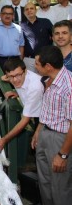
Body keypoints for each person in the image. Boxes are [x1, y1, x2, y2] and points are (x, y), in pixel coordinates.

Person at [31, 46, 72, 205]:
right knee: (44, 183)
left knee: (60, 187)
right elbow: (48, 109)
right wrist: (39, 130)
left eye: (37, 63)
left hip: (61, 140)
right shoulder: (49, 80)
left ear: (48, 66)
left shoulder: (68, 87)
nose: (35, 66)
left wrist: (63, 155)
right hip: (45, 134)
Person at [0, 58, 44, 151]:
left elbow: (25, 120)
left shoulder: (35, 86)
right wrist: (17, 92)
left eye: (18, 75)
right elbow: (5, 78)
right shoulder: (17, 77)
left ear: (25, 71)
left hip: (44, 120)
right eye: (11, 76)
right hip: (35, 113)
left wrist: (4, 139)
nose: (15, 80)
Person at [20, 2, 53, 72]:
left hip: (46, 59)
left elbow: (54, 36)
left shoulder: (46, 22)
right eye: (27, 9)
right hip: (29, 60)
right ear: (24, 12)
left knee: (46, 81)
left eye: (31, 8)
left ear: (36, 10)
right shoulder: (21, 26)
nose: (29, 11)